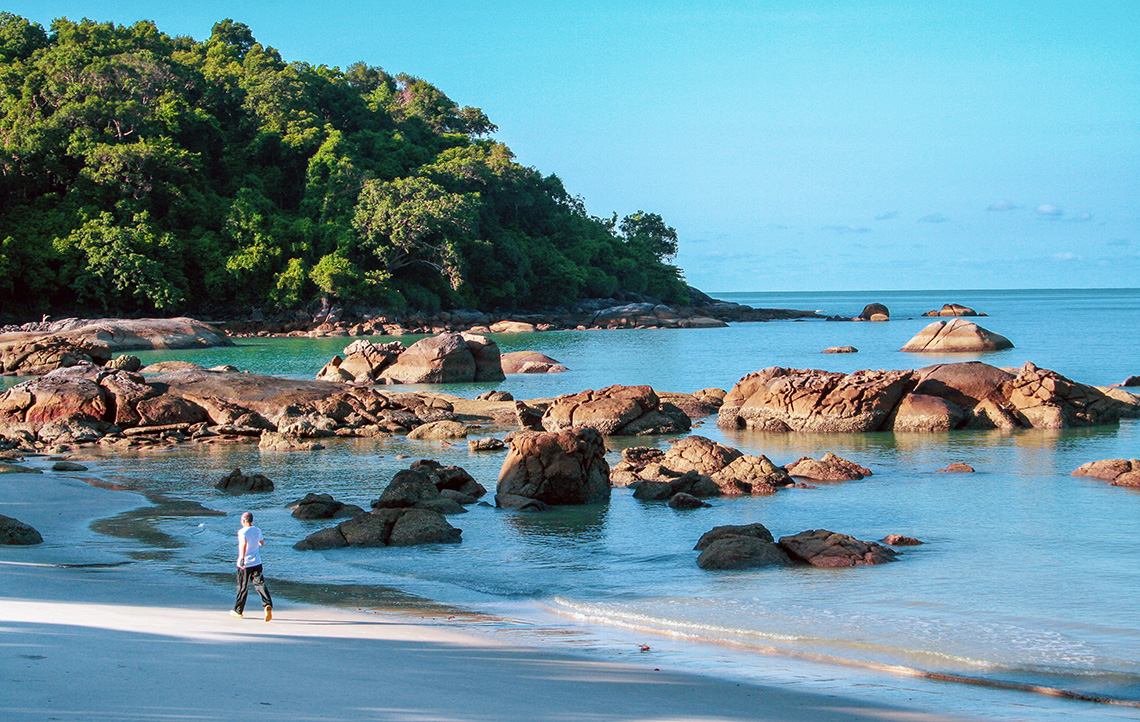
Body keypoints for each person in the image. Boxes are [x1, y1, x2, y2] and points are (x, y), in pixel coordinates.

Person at [231, 511, 273, 621]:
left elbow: (243, 544)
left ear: (244, 521)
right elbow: (261, 543)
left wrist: (242, 558)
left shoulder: (242, 532)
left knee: (242, 586)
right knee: (260, 584)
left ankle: (238, 610)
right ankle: (267, 604)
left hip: (246, 563)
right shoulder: (257, 530)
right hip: (257, 562)